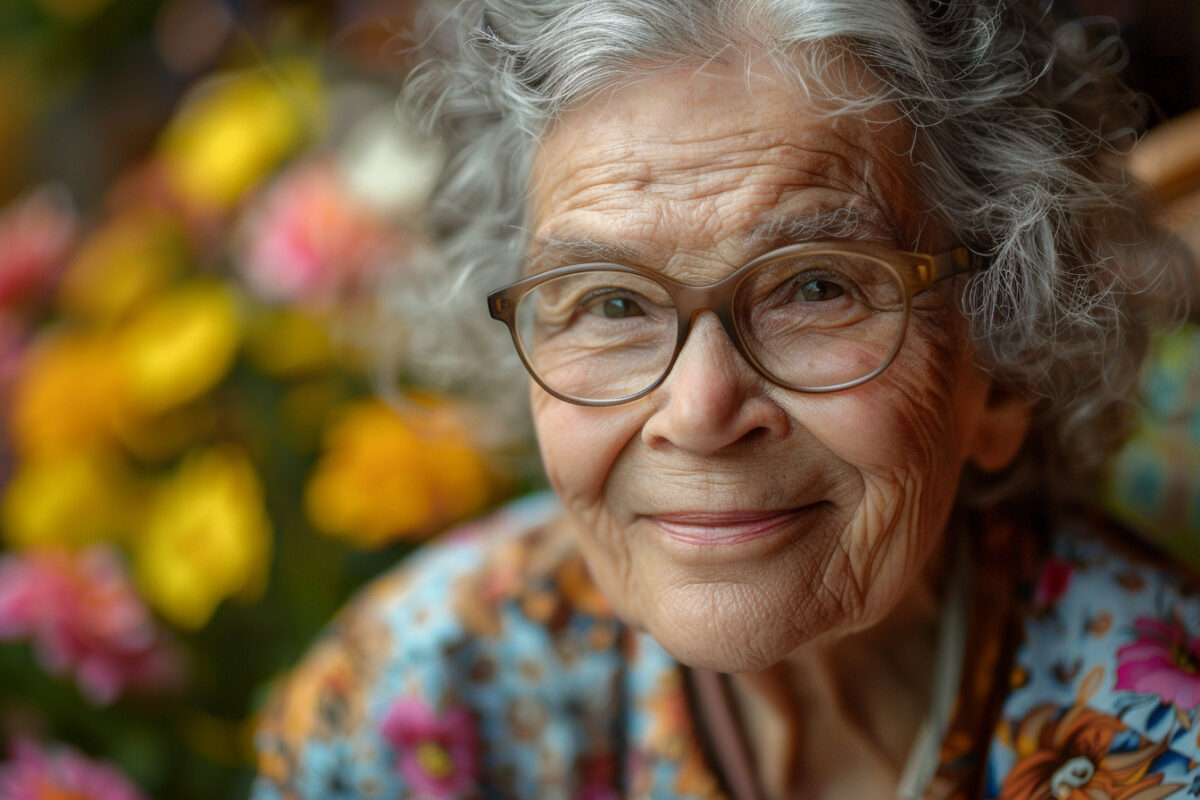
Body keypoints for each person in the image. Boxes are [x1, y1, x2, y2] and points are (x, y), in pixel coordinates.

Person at [251, 1, 1197, 798]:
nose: (700, 410)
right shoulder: (403, 710)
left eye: (816, 287)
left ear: (1001, 363)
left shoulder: (1159, 742)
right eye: (610, 303)